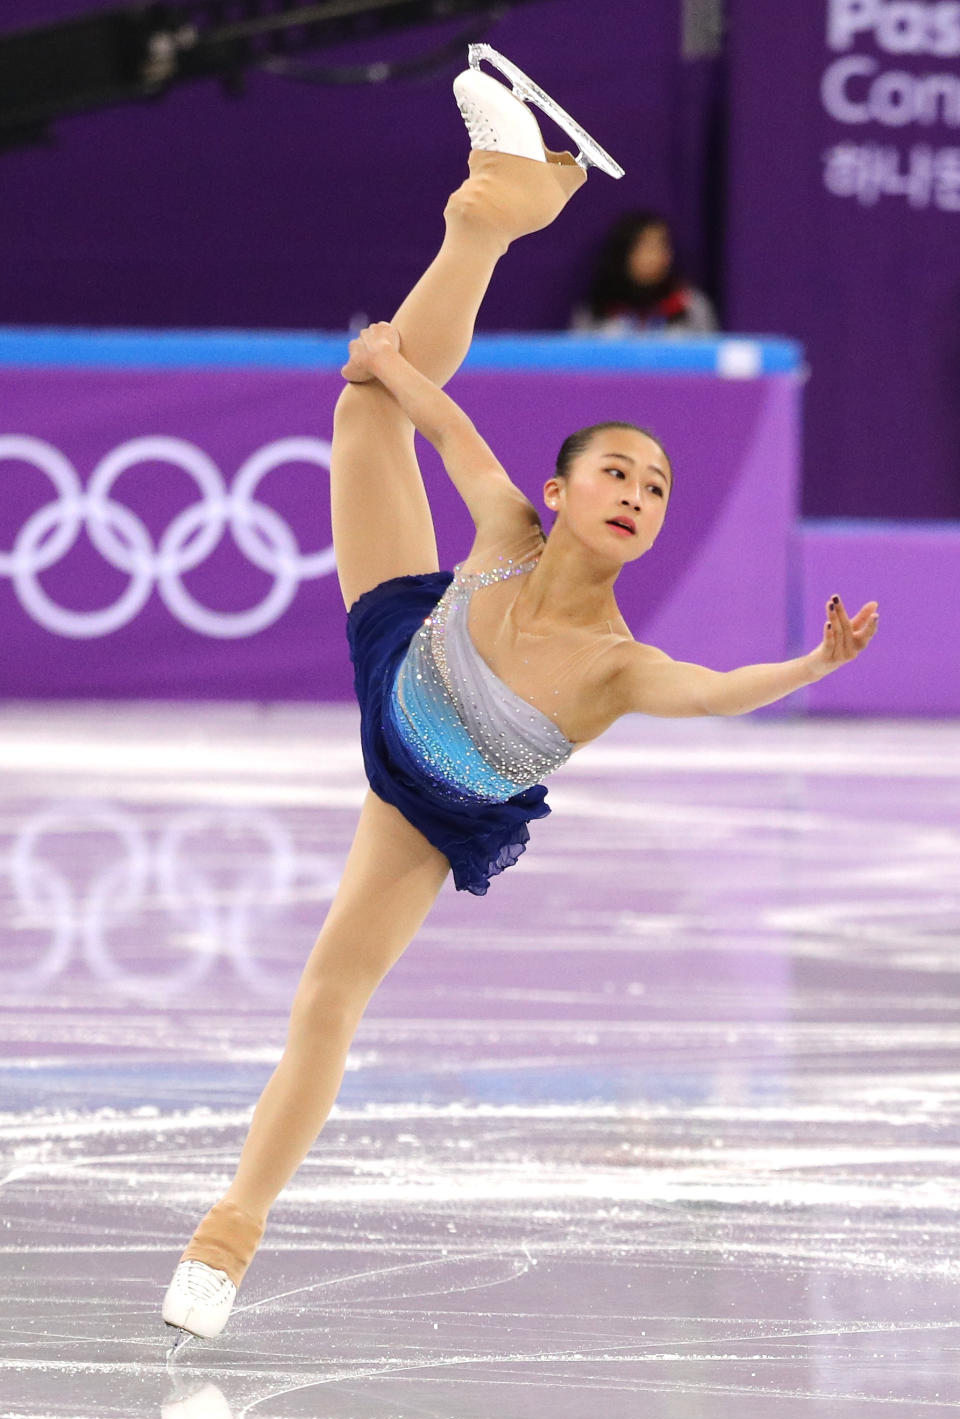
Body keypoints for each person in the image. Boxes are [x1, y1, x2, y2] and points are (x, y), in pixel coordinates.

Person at [161, 50, 878, 1344]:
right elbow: (441, 425)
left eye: (657, 490)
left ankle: (228, 1237)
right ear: (563, 493)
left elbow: (718, 692)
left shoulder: (620, 668)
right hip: (405, 650)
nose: (637, 495)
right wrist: (386, 354)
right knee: (363, 411)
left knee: (328, 1001)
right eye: (618, 471)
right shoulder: (502, 522)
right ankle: (488, 213)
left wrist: (811, 667)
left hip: (430, 798)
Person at [571, 210, 718, 334]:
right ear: (623, 254)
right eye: (644, 247)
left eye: (661, 246)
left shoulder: (691, 306)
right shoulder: (595, 312)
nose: (653, 257)